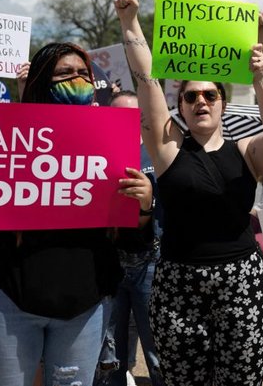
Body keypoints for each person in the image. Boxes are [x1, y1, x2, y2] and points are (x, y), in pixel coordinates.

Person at [0, 0, 143, 386]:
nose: (78, 79)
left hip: (84, 301)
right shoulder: (6, 129)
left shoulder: (109, 141)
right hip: (5, 295)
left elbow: (130, 230)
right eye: (66, 74)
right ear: (43, 81)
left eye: (84, 74)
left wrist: (144, 202)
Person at [115, 0, 263, 386]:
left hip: (241, 283)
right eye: (190, 96)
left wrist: (260, 77)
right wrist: (130, 23)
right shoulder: (168, 148)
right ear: (181, 105)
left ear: (223, 104)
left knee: (240, 381)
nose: (200, 102)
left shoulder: (246, 151)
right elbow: (146, 81)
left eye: (210, 95)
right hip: (179, 283)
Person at [95, 90, 165, 386]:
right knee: (109, 356)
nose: (123, 119)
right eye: (116, 113)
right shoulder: (93, 153)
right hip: (107, 265)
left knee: (158, 352)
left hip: (150, 263)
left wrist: (147, 203)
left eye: (131, 114)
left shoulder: (158, 152)